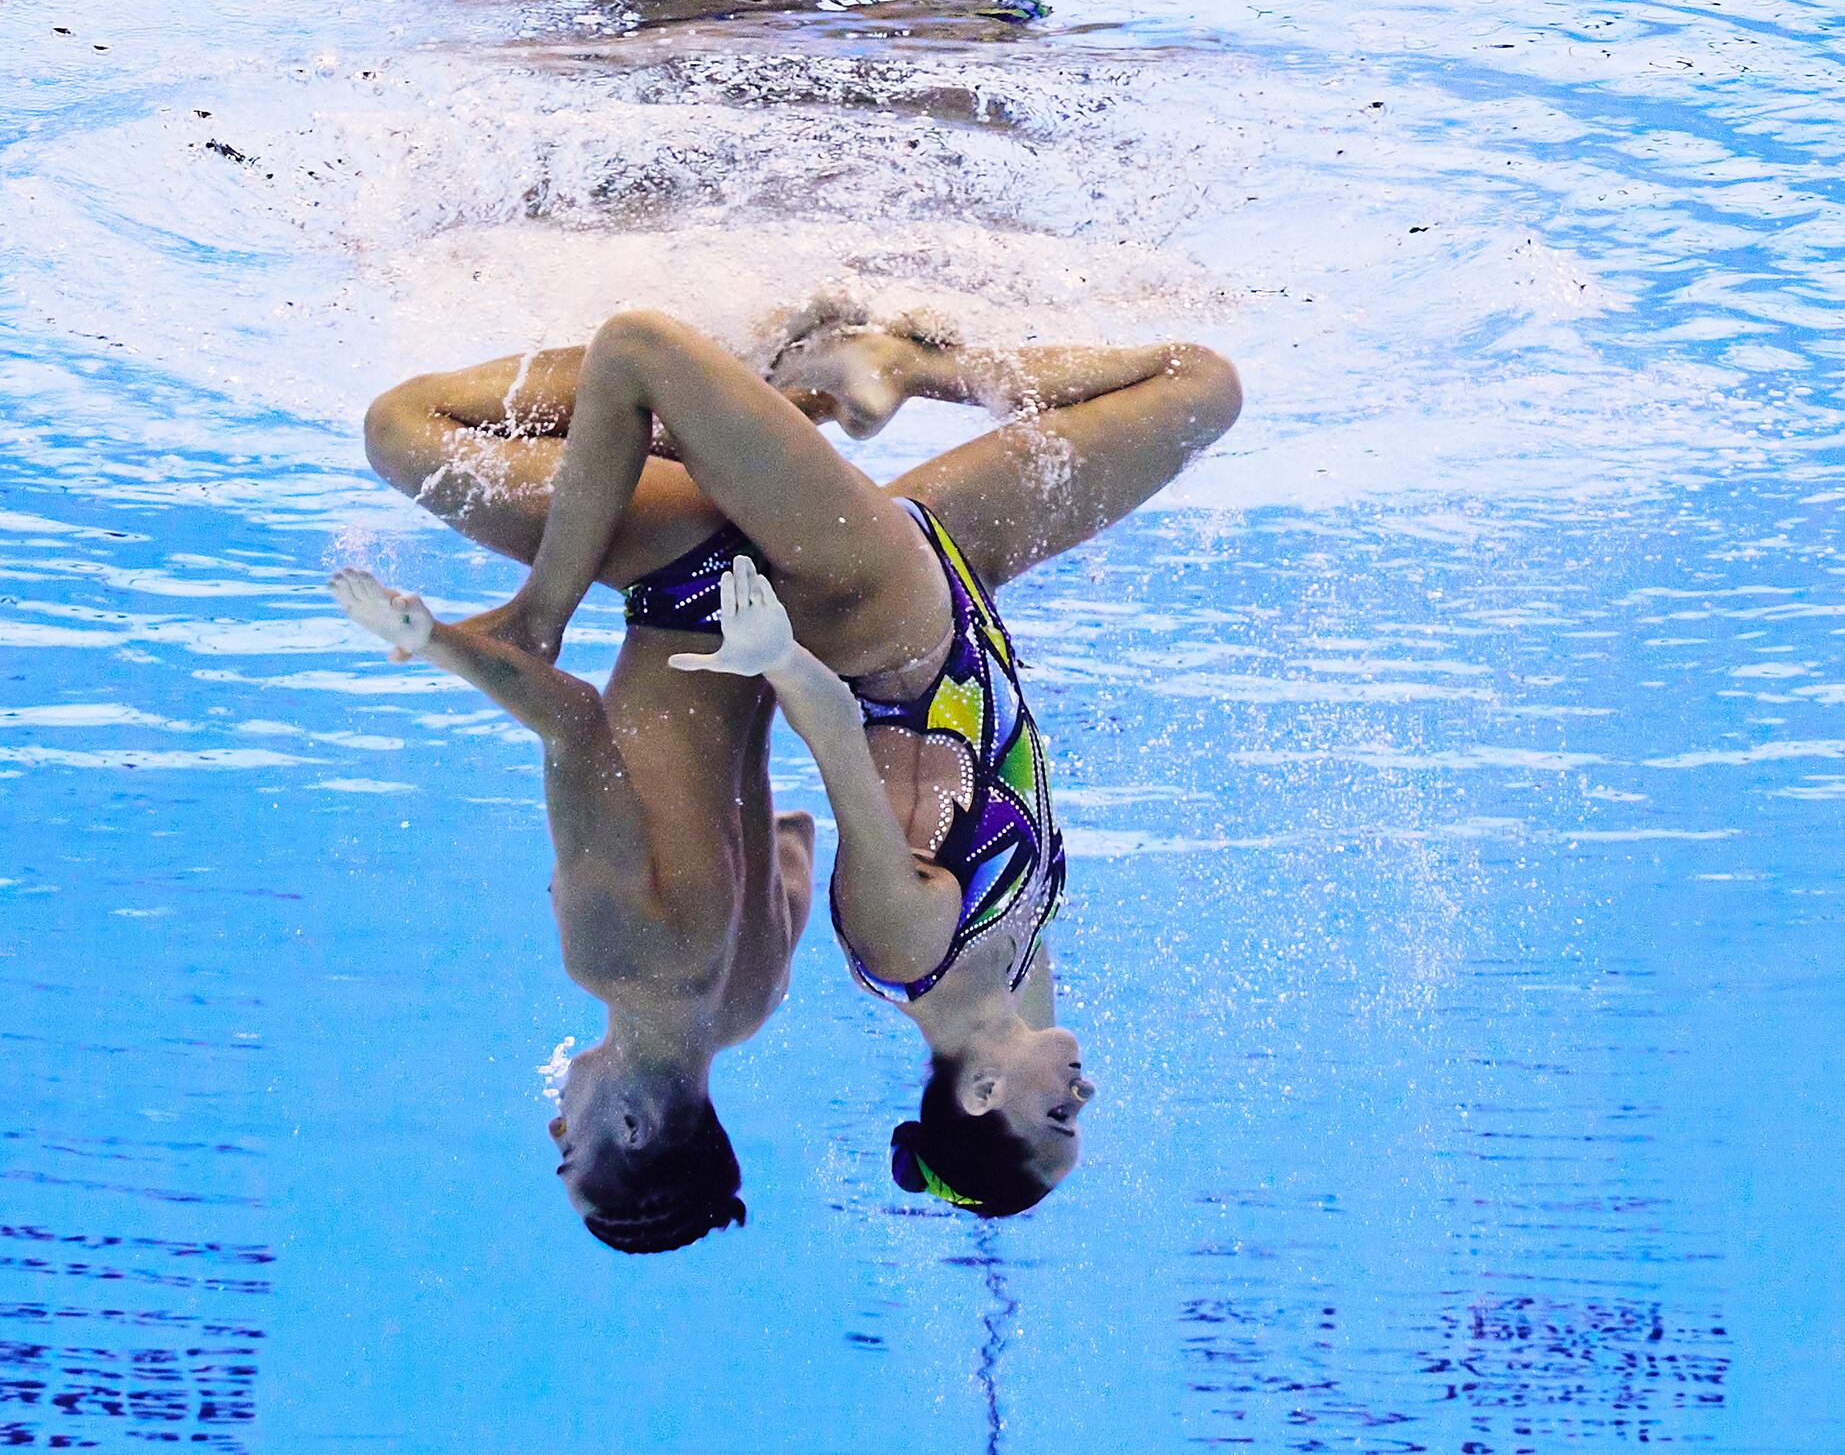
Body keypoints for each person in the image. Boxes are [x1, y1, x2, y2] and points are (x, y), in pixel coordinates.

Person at [352, 297, 1239, 1218]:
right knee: (1203, 390)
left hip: (871, 596)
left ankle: (760, 408)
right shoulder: (747, 992)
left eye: (1062, 1118)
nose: (1081, 1099)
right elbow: (786, 816)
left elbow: (802, 795)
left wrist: (763, 682)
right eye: (564, 1154)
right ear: (626, 1129)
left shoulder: (887, 968)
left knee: (630, 359)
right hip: (856, 593)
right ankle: (760, 409)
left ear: (981, 1094)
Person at [325, 544, 815, 1253]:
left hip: (778, 591)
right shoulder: (613, 962)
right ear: (632, 1127)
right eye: (568, 1152)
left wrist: (689, 809)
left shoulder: (752, 1001)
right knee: (395, 438)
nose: (556, 1126)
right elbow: (576, 720)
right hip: (685, 568)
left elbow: (795, 835)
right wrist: (429, 640)